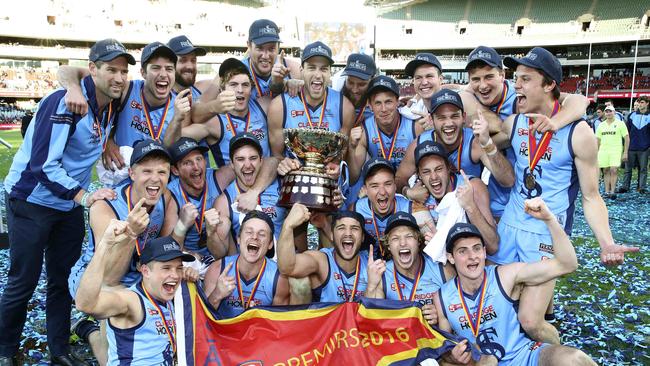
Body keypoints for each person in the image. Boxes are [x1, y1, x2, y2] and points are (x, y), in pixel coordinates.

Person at [1, 39, 133, 366]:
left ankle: (58, 349)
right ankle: (4, 350)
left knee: (61, 281)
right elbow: (43, 166)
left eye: (123, 70)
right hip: (31, 200)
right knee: (23, 281)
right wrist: (86, 197)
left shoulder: (114, 101)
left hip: (69, 205)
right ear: (93, 70)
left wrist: (109, 142)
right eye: (110, 69)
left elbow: (73, 73)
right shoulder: (64, 102)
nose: (118, 77)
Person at [493, 47, 638, 344]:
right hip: (508, 225)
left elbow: (591, 196)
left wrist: (606, 242)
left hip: (547, 231)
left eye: (526, 79)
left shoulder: (579, 132)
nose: (516, 85)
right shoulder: (515, 121)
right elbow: (483, 139)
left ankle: (556, 351)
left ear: (549, 86)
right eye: (516, 78)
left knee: (530, 322)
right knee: (501, 305)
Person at [435, 200, 596, 365]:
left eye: (477, 248)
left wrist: (549, 220)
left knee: (574, 359)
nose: (472, 256)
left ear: (484, 252)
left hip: (524, 355)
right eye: (462, 251)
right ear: (450, 257)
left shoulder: (505, 275)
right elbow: (442, 349)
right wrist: (452, 355)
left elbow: (567, 264)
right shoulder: (443, 297)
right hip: (482, 362)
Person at [75, 220, 197, 366]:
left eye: (179, 268)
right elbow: (84, 305)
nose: (175, 275)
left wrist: (194, 280)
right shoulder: (132, 301)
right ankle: (88, 330)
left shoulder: (171, 295)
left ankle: (88, 329)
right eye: (166, 268)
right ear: (145, 271)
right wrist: (104, 246)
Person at [58, 42, 191, 171]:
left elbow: (169, 148)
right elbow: (65, 70)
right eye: (155, 68)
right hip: (120, 174)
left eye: (169, 69)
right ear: (143, 73)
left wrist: (177, 119)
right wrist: (73, 87)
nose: (163, 74)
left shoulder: (180, 105)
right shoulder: (126, 88)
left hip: (153, 178)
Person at [397, 90, 514, 207]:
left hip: (467, 208)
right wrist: (408, 192)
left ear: (463, 117)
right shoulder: (420, 144)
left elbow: (508, 180)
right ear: (432, 120)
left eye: (454, 116)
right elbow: (399, 179)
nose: (449, 123)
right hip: (431, 210)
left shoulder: (475, 143)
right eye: (441, 118)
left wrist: (488, 144)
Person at [413, 140, 498, 257]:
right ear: (419, 175)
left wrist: (470, 207)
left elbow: (492, 245)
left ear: (448, 168)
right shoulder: (418, 197)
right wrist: (407, 191)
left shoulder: (472, 187)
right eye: (426, 172)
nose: (434, 177)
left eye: (439, 169)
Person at [182, 58, 272, 166]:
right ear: (222, 89)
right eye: (233, 85)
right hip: (231, 180)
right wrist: (182, 115)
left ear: (251, 88)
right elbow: (179, 137)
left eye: (245, 85)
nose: (240, 90)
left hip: (265, 178)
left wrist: (290, 83)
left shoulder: (264, 106)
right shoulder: (214, 122)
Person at [277, 205, 370, 304]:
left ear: (363, 237)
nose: (348, 233)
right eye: (341, 228)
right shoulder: (322, 260)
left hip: (359, 320)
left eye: (354, 228)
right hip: (327, 319)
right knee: (299, 282)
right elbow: (287, 268)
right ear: (331, 235)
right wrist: (288, 225)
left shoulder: (371, 265)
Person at [211, 132, 286, 253]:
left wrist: (253, 193)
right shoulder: (224, 202)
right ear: (232, 163)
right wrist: (211, 233)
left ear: (261, 160)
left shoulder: (279, 184)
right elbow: (220, 253)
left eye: (253, 158)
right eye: (240, 159)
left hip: (282, 265)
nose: (247, 165)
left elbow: (274, 161)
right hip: (248, 267)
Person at [205, 211, 290, 317]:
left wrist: (259, 316)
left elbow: (278, 325)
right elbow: (202, 320)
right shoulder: (217, 269)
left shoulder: (279, 279)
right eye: (249, 232)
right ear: (238, 239)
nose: (255, 237)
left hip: (259, 332)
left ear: (270, 244)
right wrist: (216, 295)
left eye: (262, 234)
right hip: (222, 332)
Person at [167, 137, 234, 264]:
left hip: (218, 253)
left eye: (199, 159)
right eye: (187, 163)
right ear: (175, 170)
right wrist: (182, 225)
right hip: (186, 259)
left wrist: (252, 192)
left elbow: (262, 163)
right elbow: (168, 246)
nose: (196, 167)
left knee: (225, 222)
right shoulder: (170, 195)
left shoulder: (217, 178)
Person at [348, 75, 423, 181]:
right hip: (381, 186)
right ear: (370, 105)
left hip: (410, 183)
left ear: (397, 101)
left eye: (388, 102)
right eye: (378, 103)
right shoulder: (364, 131)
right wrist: (351, 148)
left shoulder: (415, 126)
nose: (383, 109)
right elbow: (353, 177)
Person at [351, 158, 418, 250]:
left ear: (395, 186)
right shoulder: (355, 209)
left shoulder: (413, 209)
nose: (382, 192)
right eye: (374, 186)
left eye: (387, 184)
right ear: (365, 189)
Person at [596, 106, 629, 198]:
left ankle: (613, 191)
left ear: (614, 112)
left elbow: (626, 137)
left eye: (610, 111)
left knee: (613, 169)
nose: (608, 113)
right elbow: (597, 139)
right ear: (604, 113)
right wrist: (596, 152)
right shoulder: (601, 125)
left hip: (616, 149)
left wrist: (625, 152)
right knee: (605, 170)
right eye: (606, 112)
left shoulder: (620, 124)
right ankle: (607, 191)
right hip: (603, 150)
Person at [618, 96, 649, 193]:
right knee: (627, 169)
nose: (640, 104)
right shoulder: (631, 115)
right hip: (631, 147)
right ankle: (625, 186)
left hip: (644, 148)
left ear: (647, 103)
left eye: (642, 102)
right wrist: (625, 146)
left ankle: (641, 187)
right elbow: (626, 132)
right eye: (639, 102)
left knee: (643, 169)